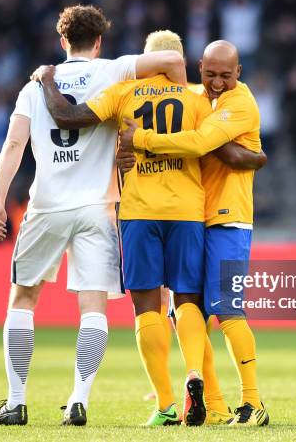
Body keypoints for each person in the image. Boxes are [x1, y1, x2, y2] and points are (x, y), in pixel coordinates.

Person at [0, 5, 188, 427]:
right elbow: (171, 59)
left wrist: (0, 201)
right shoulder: (113, 70)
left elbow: (12, 146)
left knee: (23, 300)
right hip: (98, 208)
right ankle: (79, 399)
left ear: (63, 42)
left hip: (46, 207)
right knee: (93, 308)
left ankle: (16, 401)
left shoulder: (35, 86)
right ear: (99, 42)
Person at [33, 30, 216, 427]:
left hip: (139, 211)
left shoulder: (124, 93)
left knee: (146, 307)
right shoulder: (199, 98)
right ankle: (194, 375)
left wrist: (47, 78)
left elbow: (68, 116)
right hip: (187, 209)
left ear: (146, 60)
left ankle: (166, 404)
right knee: (186, 301)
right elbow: (213, 149)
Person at [120, 40, 269, 426]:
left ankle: (254, 403)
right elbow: (224, 149)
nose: (217, 82)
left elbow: (204, 142)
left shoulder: (241, 103)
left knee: (228, 312)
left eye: (226, 75)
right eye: (210, 74)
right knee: (190, 316)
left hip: (230, 220)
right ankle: (216, 405)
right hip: (196, 219)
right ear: (199, 68)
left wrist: (142, 141)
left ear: (239, 73)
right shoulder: (195, 98)